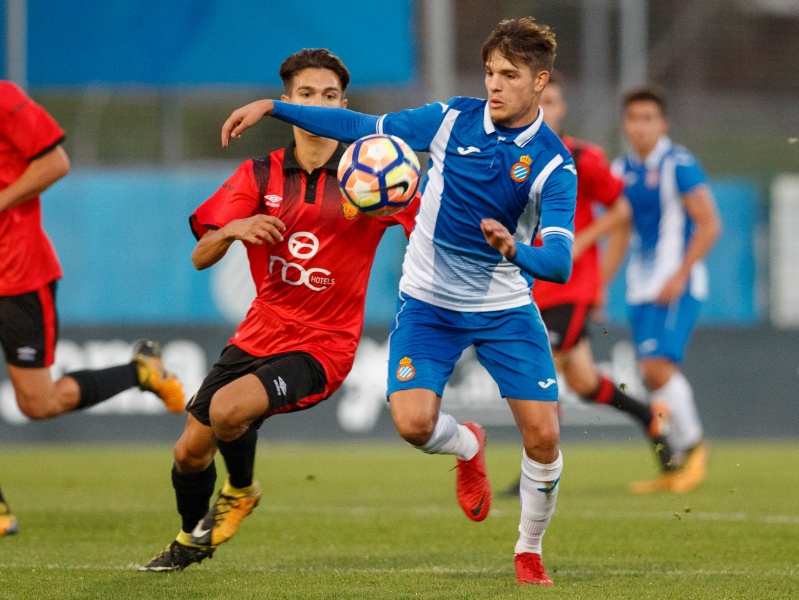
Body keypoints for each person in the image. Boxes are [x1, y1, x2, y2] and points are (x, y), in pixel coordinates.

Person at [221, 18, 575, 586]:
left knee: (546, 434)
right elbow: (361, 124)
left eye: (509, 75)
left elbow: (558, 263)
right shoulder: (451, 118)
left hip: (504, 306)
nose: (495, 84)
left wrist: (514, 250)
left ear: (540, 82)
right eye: (489, 72)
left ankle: (528, 550)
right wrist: (274, 107)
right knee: (412, 424)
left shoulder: (554, 165)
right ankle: (467, 445)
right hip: (429, 301)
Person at [139, 48, 420, 572]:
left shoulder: (373, 174)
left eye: (330, 97)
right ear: (288, 103)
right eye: (307, 95)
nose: (319, 104)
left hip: (323, 344)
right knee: (188, 454)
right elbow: (201, 256)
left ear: (343, 104)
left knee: (227, 410)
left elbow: (432, 229)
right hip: (258, 333)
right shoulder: (259, 174)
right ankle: (189, 540)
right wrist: (232, 229)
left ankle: (241, 490)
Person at [0, 81, 185, 538]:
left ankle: (139, 371)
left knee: (38, 403)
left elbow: (55, 161)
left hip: (17, 273)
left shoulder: (5, 99)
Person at [501, 72, 674, 498]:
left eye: (553, 102)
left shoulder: (581, 157)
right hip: (528, 287)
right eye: (538, 101)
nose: (545, 109)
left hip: (569, 287)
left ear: (561, 109)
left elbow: (622, 211)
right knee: (581, 381)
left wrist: (586, 249)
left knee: (542, 367)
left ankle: (535, 472)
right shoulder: (507, 155)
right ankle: (650, 415)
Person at [612, 85, 721, 493]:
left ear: (663, 124)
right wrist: (601, 286)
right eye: (633, 119)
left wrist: (680, 273)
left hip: (678, 284)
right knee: (649, 372)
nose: (641, 126)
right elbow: (620, 232)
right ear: (624, 125)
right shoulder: (621, 170)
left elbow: (710, 223)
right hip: (641, 287)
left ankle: (693, 450)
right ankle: (675, 463)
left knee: (657, 366)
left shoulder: (679, 164)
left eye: (649, 118)